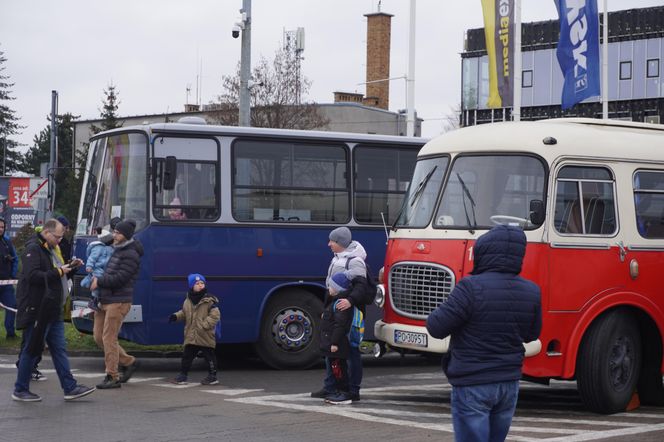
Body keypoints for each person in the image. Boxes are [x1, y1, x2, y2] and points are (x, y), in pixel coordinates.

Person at [426, 225, 542, 442]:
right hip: (508, 383)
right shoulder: (531, 290)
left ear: (483, 252)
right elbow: (531, 334)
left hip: (473, 380)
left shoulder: (470, 287)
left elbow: (436, 326)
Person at [12, 218, 95, 402]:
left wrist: (70, 269)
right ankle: (20, 389)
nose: (59, 239)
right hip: (39, 309)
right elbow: (34, 276)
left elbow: (58, 273)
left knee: (59, 349)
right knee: (31, 349)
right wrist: (60, 272)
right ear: (47, 233)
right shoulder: (34, 249)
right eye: (57, 236)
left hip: (53, 308)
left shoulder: (51, 249)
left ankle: (70, 387)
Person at [311, 226, 372, 402]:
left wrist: (350, 301)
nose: (329, 244)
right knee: (332, 349)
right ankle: (331, 385)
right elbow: (332, 290)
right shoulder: (338, 258)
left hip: (350, 313)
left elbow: (362, 287)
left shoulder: (355, 261)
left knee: (351, 351)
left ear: (341, 243)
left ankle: (352, 390)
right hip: (337, 310)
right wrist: (326, 311)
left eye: (332, 241)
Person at [90, 219, 143, 389]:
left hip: (119, 301)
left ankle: (112, 376)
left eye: (117, 233)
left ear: (125, 236)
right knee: (99, 337)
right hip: (105, 300)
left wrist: (100, 281)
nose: (114, 235)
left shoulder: (131, 254)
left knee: (109, 338)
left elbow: (121, 278)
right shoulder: (117, 249)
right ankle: (129, 362)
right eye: (114, 232)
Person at [167, 273, 220, 385]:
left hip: (204, 334)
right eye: (197, 283)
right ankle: (183, 375)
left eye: (202, 283)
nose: (200, 285)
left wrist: (205, 325)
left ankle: (212, 376)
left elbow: (215, 314)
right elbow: (184, 312)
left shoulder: (208, 300)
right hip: (191, 334)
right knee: (187, 356)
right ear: (191, 286)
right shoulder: (188, 301)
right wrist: (176, 316)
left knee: (209, 356)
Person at [319, 272, 354, 405]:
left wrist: (334, 343)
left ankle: (344, 394)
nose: (329, 289)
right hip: (333, 343)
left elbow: (340, 326)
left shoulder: (339, 304)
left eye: (332, 287)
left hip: (337, 344)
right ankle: (337, 391)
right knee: (336, 368)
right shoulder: (334, 301)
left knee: (340, 369)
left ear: (338, 289)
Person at [80, 229, 113, 311]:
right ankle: (93, 301)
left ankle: (96, 300)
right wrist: (89, 266)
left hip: (104, 269)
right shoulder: (98, 248)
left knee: (101, 284)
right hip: (97, 269)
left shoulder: (109, 248)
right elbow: (92, 258)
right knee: (97, 284)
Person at [0, 218, 18, 339]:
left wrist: (12, 274)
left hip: (6, 282)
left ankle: (10, 333)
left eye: (2, 227)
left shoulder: (7, 242)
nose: (0, 229)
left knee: (12, 306)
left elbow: (15, 258)